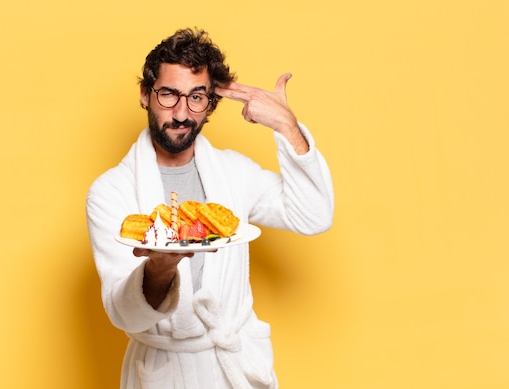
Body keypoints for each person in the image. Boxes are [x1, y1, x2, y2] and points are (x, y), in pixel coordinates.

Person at [86, 27, 334, 389]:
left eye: (197, 97)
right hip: (163, 373)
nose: (182, 113)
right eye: (169, 94)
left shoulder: (234, 172)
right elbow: (124, 314)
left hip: (233, 366)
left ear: (210, 103)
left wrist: (286, 125)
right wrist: (160, 268)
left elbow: (314, 215)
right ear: (145, 94)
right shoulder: (110, 192)